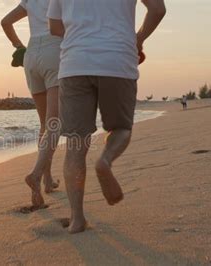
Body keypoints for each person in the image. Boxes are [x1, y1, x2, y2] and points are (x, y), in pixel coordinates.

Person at [48, 0, 166, 233]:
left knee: (75, 144)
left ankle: (77, 219)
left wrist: (80, 34)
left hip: (74, 63)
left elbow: (54, 26)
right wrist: (138, 38)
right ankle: (105, 160)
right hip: (117, 59)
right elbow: (158, 9)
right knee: (121, 128)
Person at [1, 0, 62, 207]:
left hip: (31, 55)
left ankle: (47, 180)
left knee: (45, 124)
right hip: (54, 49)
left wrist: (19, 46)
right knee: (55, 123)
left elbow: (5, 22)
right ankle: (36, 175)